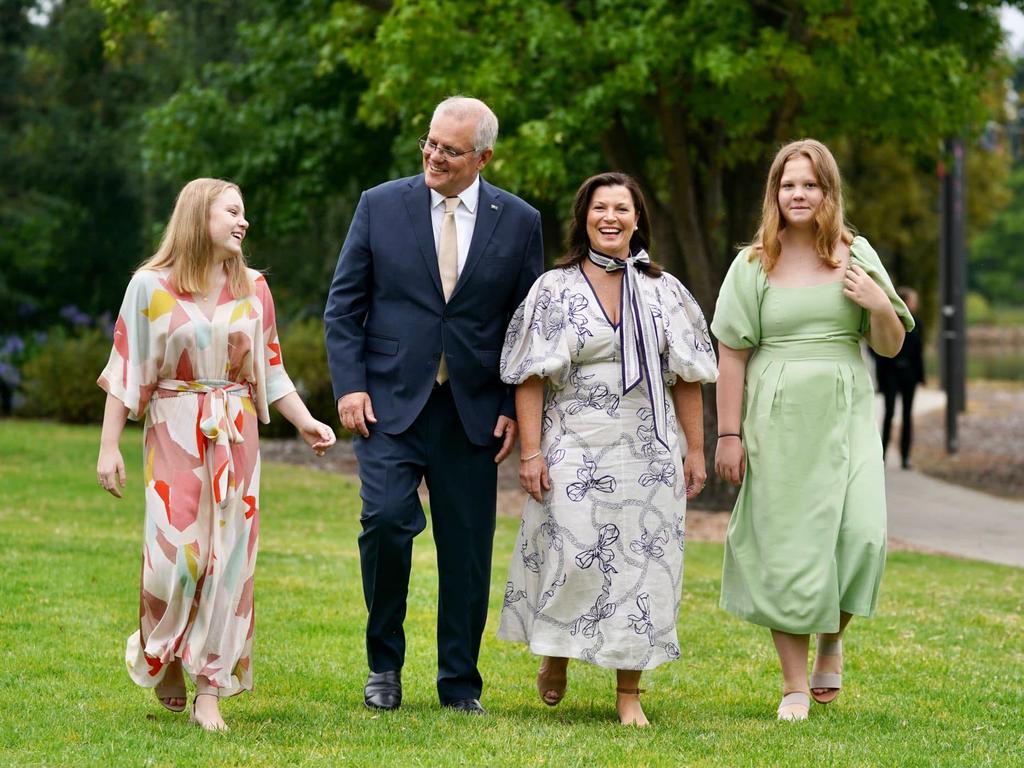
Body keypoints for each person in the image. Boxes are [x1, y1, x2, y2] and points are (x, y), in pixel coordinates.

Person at [323, 96, 544, 715]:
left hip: (472, 411)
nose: (433, 156)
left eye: (449, 149)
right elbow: (344, 307)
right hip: (388, 404)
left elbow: (528, 324)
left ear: (483, 157)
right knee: (388, 522)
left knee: (468, 549)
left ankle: (459, 684)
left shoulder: (520, 220)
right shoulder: (380, 205)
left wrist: (508, 403)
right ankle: (384, 667)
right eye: (430, 142)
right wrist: (350, 386)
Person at [96, 178, 336, 731]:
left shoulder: (254, 288)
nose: (242, 222)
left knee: (228, 563)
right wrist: (109, 448)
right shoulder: (148, 287)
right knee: (177, 561)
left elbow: (271, 370)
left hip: (237, 434)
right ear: (199, 215)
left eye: (244, 213)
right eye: (232, 211)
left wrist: (306, 423)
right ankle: (163, 654)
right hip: (174, 431)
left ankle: (210, 688)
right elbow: (126, 369)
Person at [498, 172, 718, 726]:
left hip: (649, 446)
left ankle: (629, 693)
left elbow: (686, 376)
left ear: (638, 219)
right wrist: (531, 453)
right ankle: (556, 653)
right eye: (600, 208)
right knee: (572, 555)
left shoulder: (663, 289)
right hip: (575, 441)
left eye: (622, 207)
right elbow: (528, 377)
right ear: (585, 218)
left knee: (643, 566)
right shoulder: (554, 287)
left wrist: (696, 450)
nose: (611, 217)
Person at [712, 140, 913, 721]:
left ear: (829, 192)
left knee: (864, 535)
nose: (799, 195)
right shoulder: (753, 264)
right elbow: (731, 354)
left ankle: (834, 636)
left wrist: (878, 303)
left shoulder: (857, 253)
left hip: (845, 410)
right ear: (775, 193)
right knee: (789, 549)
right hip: (776, 416)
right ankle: (794, 685)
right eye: (788, 185)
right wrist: (729, 436)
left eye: (811, 185)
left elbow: (890, 343)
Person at [874, 287, 925, 469]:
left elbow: (919, 353)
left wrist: (921, 376)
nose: (915, 304)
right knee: (889, 414)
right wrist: (881, 379)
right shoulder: (890, 321)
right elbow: (878, 351)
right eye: (913, 300)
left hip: (909, 376)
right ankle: (882, 455)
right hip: (891, 375)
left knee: (907, 415)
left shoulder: (917, 323)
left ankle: (905, 457)